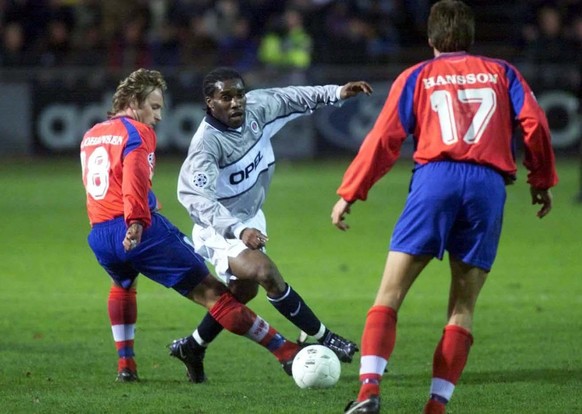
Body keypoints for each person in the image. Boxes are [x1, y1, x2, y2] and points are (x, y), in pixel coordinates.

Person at [333, 1, 558, 413]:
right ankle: (435, 407)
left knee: (390, 294)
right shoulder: (503, 73)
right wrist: (541, 180)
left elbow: (385, 137)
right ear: (471, 36)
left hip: (435, 180)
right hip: (488, 186)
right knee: (462, 307)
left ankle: (368, 391)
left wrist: (351, 190)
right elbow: (536, 124)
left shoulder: (417, 75)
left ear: (431, 38)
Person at [80, 68, 303, 382]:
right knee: (215, 294)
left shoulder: (93, 134)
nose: (158, 116)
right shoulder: (138, 132)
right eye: (154, 107)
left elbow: (101, 185)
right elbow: (133, 178)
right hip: (139, 230)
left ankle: (126, 366)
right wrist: (136, 221)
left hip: (100, 235)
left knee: (123, 286)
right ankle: (285, 351)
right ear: (133, 102)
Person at [169, 66, 373, 383]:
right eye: (226, 97)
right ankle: (326, 337)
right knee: (265, 272)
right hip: (219, 226)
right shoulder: (206, 147)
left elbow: (292, 97)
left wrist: (336, 92)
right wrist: (238, 230)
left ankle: (193, 346)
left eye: (239, 94)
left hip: (250, 218)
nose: (236, 102)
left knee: (240, 293)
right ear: (210, 102)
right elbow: (199, 201)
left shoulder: (257, 108)